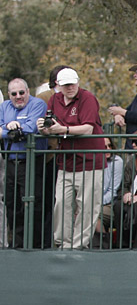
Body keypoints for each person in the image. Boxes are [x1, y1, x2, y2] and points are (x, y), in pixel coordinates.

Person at [37, 67, 105, 250]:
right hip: (66, 161)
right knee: (61, 203)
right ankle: (63, 244)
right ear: (58, 85)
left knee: (87, 207)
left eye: (72, 83)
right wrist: (43, 128)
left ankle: (78, 247)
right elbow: (50, 126)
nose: (70, 88)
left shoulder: (87, 98)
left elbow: (87, 128)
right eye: (66, 84)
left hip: (90, 161)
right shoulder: (54, 99)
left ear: (78, 82)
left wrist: (63, 130)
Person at [1, 78, 48, 248]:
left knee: (33, 203)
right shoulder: (4, 106)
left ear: (28, 91)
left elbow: (30, 128)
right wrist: (10, 129)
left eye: (22, 92)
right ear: (9, 95)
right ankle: (17, 243)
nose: (18, 96)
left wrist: (12, 128)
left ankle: (35, 244)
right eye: (14, 94)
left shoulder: (38, 104)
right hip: (12, 162)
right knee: (12, 203)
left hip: (32, 161)